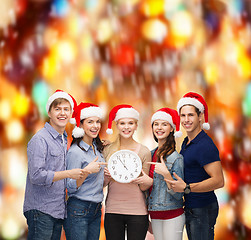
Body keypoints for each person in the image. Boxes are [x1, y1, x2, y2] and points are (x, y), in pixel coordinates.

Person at [23, 90, 87, 240]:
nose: (62, 113)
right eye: (57, 109)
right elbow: (36, 176)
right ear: (49, 113)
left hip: (57, 211)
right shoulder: (40, 139)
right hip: (41, 210)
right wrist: (69, 173)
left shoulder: (64, 139)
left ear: (71, 113)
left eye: (66, 109)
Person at [166, 92, 225, 240]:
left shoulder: (205, 144)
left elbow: (218, 181)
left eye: (191, 115)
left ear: (200, 117)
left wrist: (186, 188)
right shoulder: (187, 142)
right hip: (193, 208)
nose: (186, 120)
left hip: (202, 208)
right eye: (183, 115)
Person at [103, 104, 152, 240]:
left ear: (136, 126)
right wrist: (107, 177)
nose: (126, 127)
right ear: (117, 125)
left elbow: (144, 187)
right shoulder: (107, 150)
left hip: (138, 212)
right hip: (113, 210)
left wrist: (144, 180)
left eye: (130, 123)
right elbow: (101, 184)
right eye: (122, 123)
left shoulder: (144, 151)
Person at [64, 102, 107, 240]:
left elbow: (96, 183)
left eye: (97, 122)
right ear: (81, 125)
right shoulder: (75, 152)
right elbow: (70, 187)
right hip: (78, 209)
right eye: (90, 122)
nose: (95, 126)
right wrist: (86, 171)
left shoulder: (97, 149)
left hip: (96, 209)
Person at [145, 108, 185, 240]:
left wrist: (166, 175)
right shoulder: (149, 155)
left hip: (172, 214)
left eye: (164, 124)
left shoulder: (176, 158)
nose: (159, 128)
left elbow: (179, 194)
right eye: (156, 124)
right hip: (155, 214)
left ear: (171, 129)